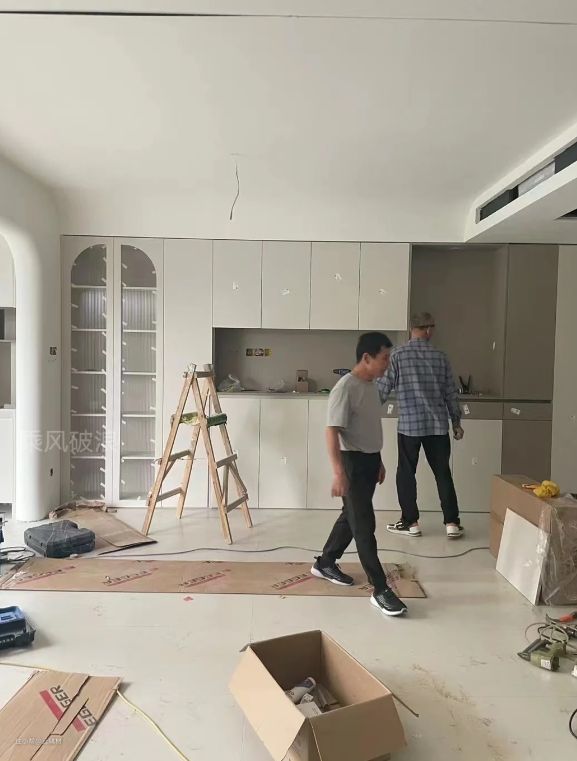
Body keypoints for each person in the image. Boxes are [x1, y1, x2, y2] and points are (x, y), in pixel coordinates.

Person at [311, 332, 407, 617]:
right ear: (367, 358)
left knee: (351, 516)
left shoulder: (371, 386)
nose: (388, 364)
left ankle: (325, 562)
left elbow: (368, 427)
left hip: (369, 461)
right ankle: (380, 589)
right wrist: (338, 473)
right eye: (384, 358)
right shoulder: (345, 388)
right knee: (364, 525)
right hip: (351, 463)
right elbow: (332, 431)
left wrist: (378, 461)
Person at [377, 312, 464, 539]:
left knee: (406, 473)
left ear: (411, 329)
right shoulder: (440, 357)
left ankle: (411, 522)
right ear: (428, 329)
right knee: (443, 473)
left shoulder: (397, 356)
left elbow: (381, 390)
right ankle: (452, 523)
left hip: (409, 426)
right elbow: (450, 392)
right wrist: (456, 422)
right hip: (437, 426)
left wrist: (363, 410)